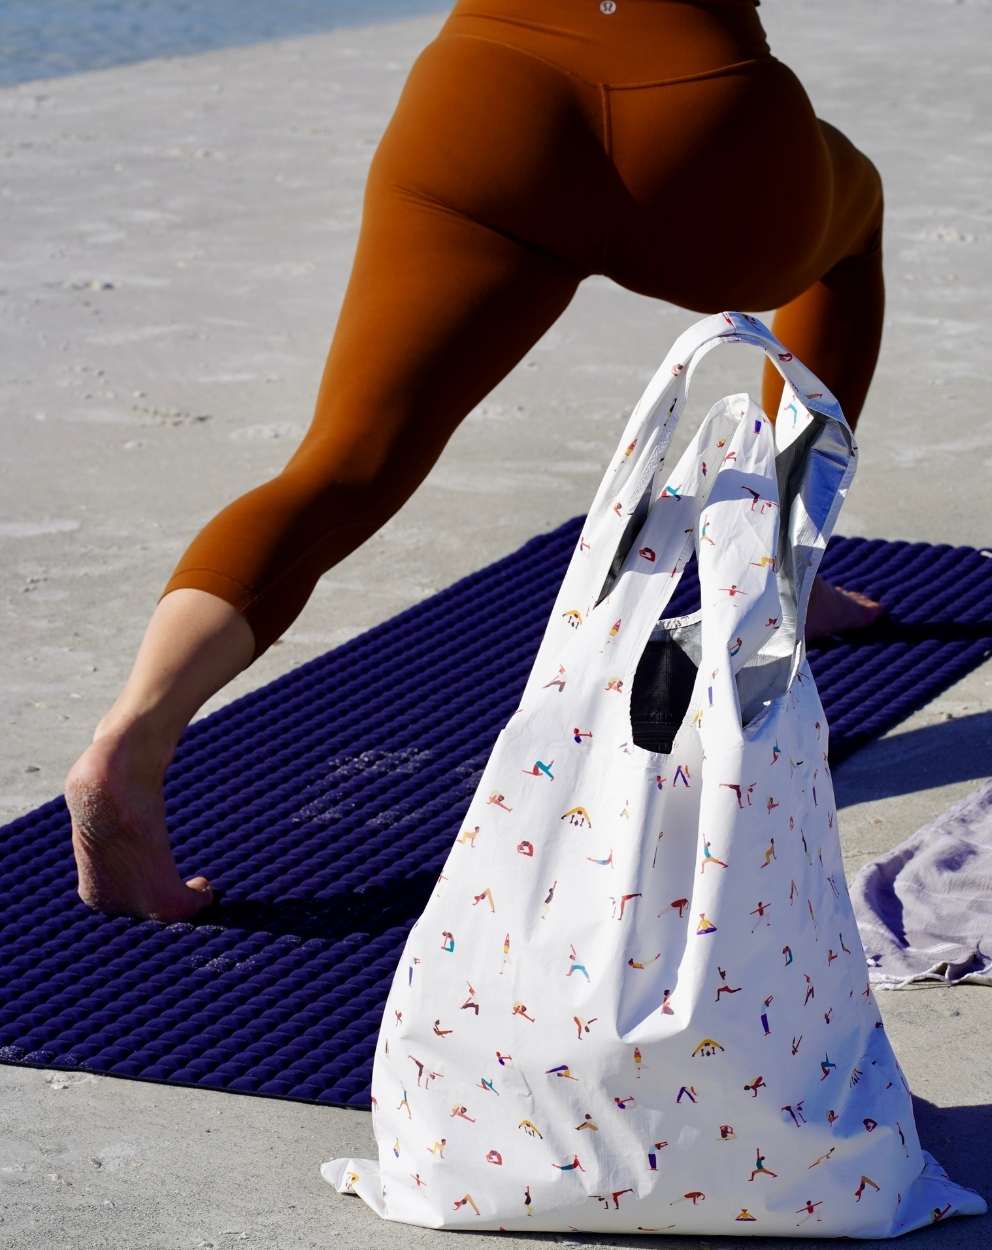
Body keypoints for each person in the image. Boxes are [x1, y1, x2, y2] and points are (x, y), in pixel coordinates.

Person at [65, 0, 886, 923]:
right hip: (699, 126)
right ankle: (778, 573)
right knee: (851, 230)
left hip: (486, 102)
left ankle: (132, 737)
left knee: (344, 460)